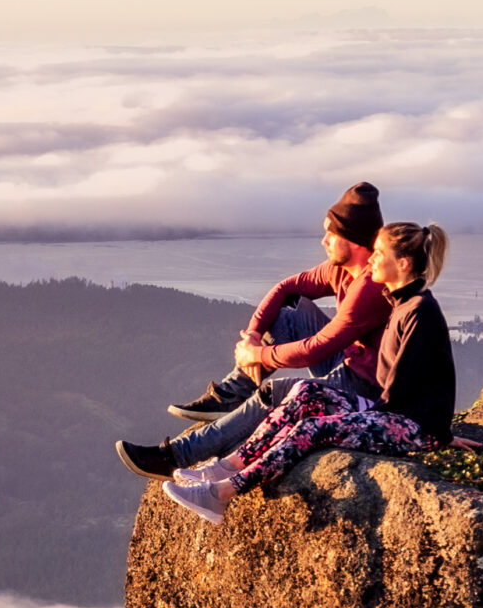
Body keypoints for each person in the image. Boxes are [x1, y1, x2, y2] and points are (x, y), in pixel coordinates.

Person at [162, 223, 455, 524]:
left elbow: (402, 392)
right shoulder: (401, 303)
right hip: (396, 413)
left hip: (410, 424)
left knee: (313, 428)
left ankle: (221, 493)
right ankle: (227, 466)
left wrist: (439, 433)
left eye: (379, 253)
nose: (371, 259)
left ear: (403, 264)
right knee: (304, 392)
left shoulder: (419, 311)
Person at [114, 184, 390, 480]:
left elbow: (317, 348)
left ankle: (177, 456)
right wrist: (254, 336)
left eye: (331, 234)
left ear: (353, 240)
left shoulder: (370, 287)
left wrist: (259, 354)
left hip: (366, 387)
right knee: (290, 316)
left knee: (278, 394)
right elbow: (286, 288)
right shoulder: (340, 269)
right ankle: (230, 395)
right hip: (349, 361)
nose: (323, 241)